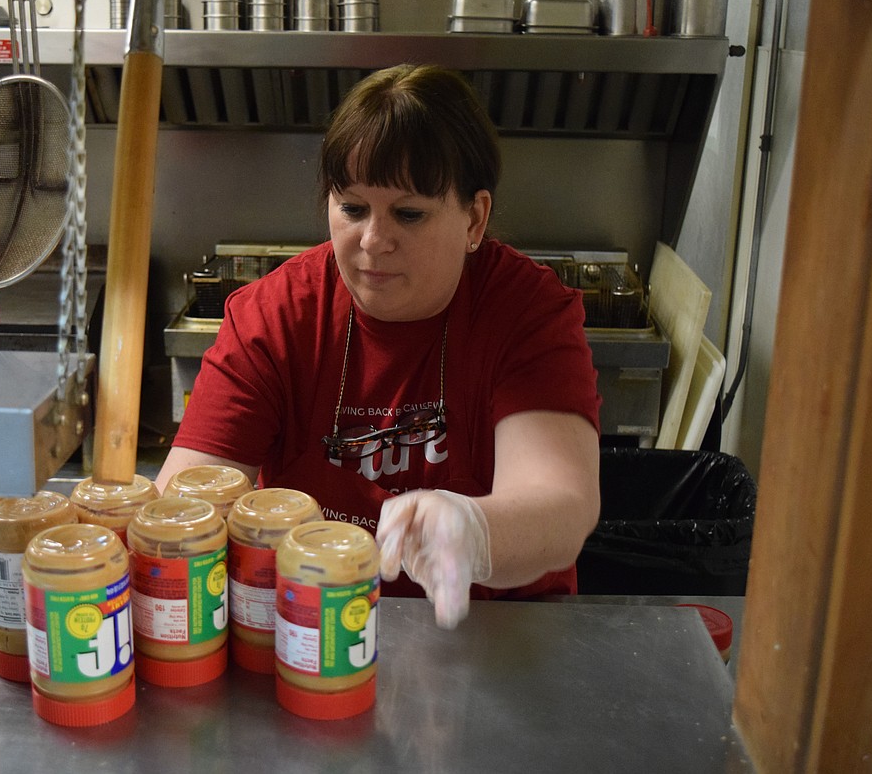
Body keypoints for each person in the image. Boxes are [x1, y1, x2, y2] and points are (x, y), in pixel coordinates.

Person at [155, 64, 602, 628]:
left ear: (475, 218)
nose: (373, 241)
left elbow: (562, 505)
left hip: (497, 638)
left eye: (409, 214)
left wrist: (477, 533)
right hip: (311, 633)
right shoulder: (274, 316)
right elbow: (189, 500)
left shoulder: (526, 312)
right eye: (353, 208)